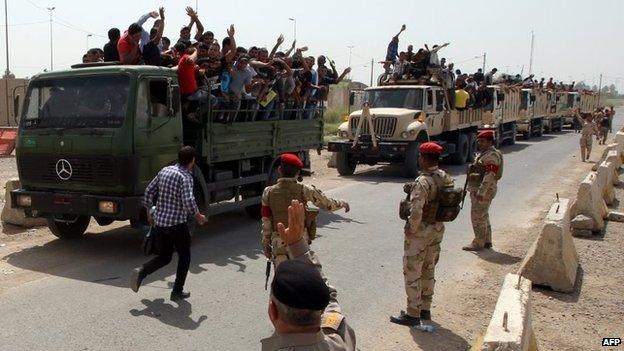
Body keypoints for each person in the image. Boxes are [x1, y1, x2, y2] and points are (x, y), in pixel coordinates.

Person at [261, 200, 356, 351]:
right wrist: (298, 243)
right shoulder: (340, 338)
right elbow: (329, 298)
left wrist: (296, 245)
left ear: (272, 311)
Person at [130, 146, 207, 301]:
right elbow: (188, 200)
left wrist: (148, 213)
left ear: (179, 158)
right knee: (185, 257)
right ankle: (177, 291)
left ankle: (141, 272)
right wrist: (198, 215)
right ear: (192, 161)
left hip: (160, 223)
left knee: (165, 257)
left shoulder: (165, 171)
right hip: (177, 225)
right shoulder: (186, 177)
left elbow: (148, 191)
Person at [390, 142, 454, 327]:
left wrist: (411, 228)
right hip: (437, 229)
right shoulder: (445, 177)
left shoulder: (423, 181)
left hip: (421, 232)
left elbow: (416, 210)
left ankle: (412, 313)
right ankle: (425, 308)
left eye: (420, 156)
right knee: (429, 268)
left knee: (412, 271)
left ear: (424, 158)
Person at [261, 153, 350, 266]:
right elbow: (327, 205)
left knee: (282, 279)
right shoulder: (305, 189)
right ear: (298, 173)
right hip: (299, 243)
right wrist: (342, 203)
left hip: (278, 242)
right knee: (301, 276)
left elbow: (266, 219)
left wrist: (266, 243)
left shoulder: (268, 192)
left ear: (279, 170)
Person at [463, 130, 503, 251]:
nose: (479, 143)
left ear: (490, 142)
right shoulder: (485, 153)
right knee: (483, 215)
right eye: (479, 141)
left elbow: (490, 174)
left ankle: (478, 243)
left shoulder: (491, 156)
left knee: (477, 216)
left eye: (482, 141)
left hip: (484, 190)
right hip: (481, 189)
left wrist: (481, 192)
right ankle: (486, 240)